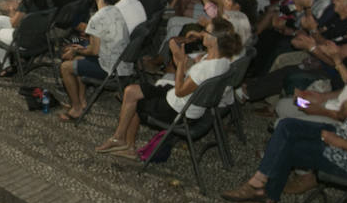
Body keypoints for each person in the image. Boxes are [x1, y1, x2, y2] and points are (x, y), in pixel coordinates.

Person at [219, 40, 347, 203]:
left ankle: (266, 197)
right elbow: (345, 114)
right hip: (342, 133)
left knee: (288, 145)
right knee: (287, 125)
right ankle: (259, 184)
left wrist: (336, 140)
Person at [94, 21, 242, 157]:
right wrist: (187, 61)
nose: (202, 33)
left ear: (215, 40)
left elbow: (180, 91)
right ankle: (120, 139)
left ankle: (127, 145)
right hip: (185, 102)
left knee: (135, 100)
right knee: (131, 91)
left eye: (206, 32)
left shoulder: (206, 68)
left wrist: (180, 65)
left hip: (180, 110)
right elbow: (194, 80)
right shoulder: (223, 61)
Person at [56, 0, 129, 122]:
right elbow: (96, 48)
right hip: (120, 63)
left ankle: (76, 108)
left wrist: (77, 51)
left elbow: (94, 51)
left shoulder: (98, 18)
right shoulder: (115, 11)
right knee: (76, 59)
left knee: (65, 67)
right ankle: (81, 101)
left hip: (109, 68)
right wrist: (80, 50)